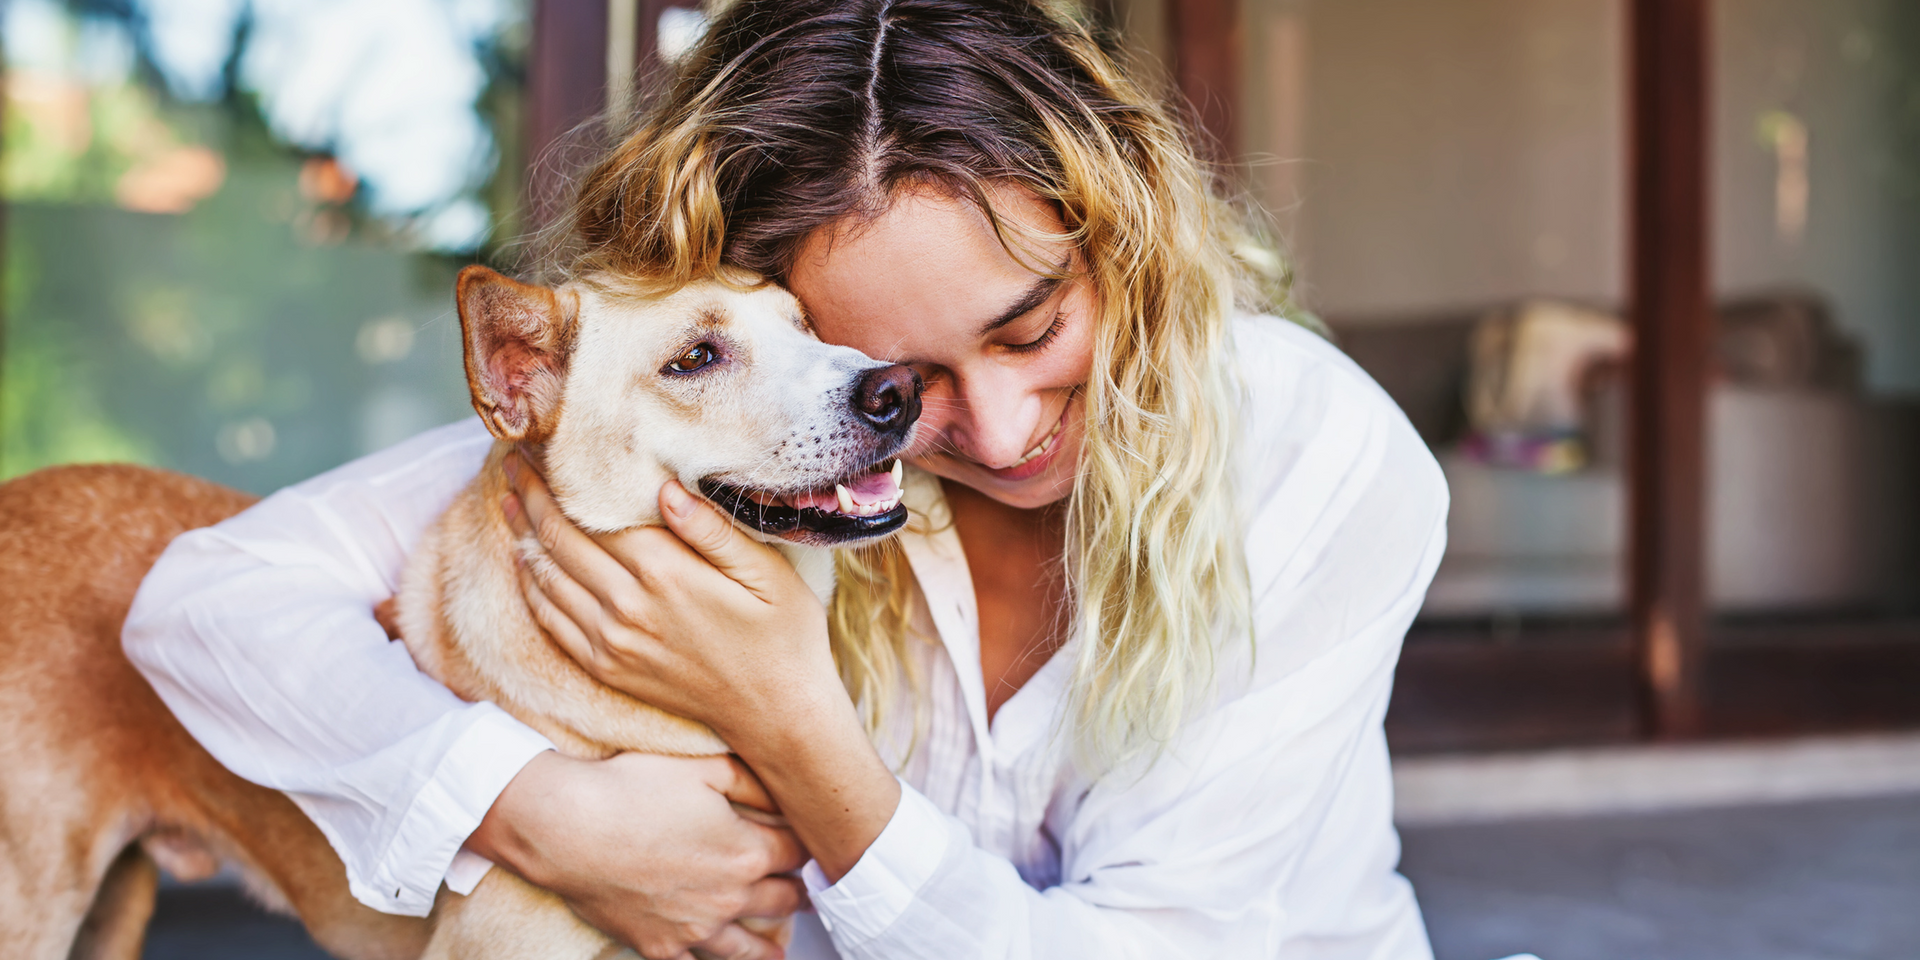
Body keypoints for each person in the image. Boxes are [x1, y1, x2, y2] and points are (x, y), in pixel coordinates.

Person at [123, 1, 1450, 957]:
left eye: (1032, 328)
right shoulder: (758, 427)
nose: (995, 432)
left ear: (1128, 243)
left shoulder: (1311, 448)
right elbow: (207, 606)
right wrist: (546, 815)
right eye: (890, 379)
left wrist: (784, 712)